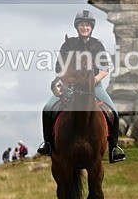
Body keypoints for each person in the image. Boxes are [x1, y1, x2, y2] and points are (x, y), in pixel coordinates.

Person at [38, 10, 125, 163]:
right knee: (47, 108)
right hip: (69, 86)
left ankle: (113, 148)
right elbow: (60, 68)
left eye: (87, 25)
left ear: (92, 27)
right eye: (81, 25)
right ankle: (48, 144)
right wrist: (60, 85)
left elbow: (105, 70)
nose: (84, 27)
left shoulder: (97, 46)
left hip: (94, 87)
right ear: (77, 27)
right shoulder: (68, 44)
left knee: (114, 112)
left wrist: (92, 82)